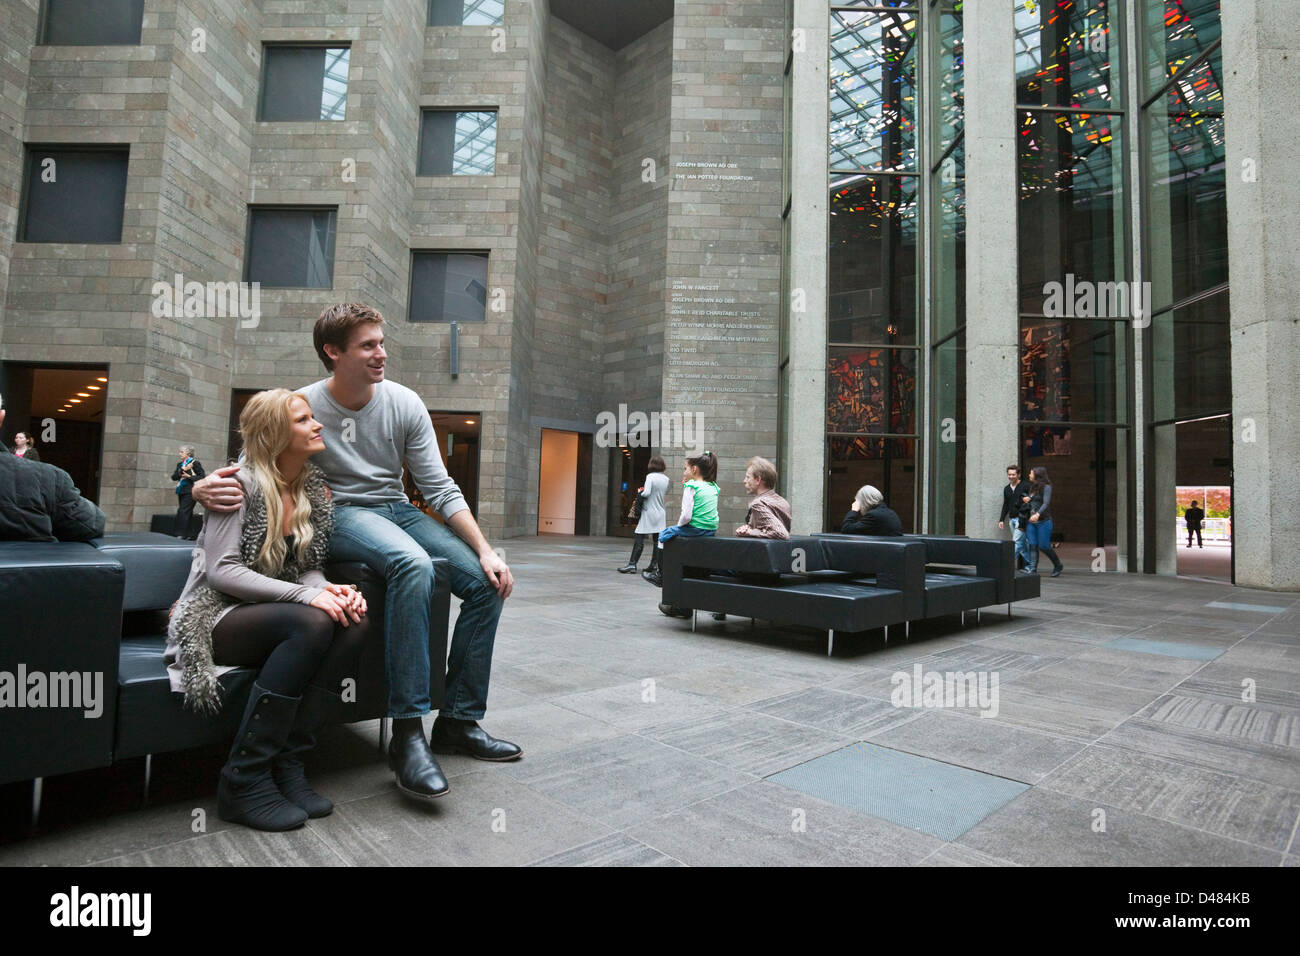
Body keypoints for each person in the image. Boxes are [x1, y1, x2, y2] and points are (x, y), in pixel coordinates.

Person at [192, 303, 519, 805]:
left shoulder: (404, 403)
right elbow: (250, 465)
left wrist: (486, 551)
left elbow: (439, 487)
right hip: (337, 510)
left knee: (485, 585)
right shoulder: (300, 404)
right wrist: (200, 489)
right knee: (412, 565)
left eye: (381, 342)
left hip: (398, 507)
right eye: (368, 345)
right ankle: (409, 735)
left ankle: (458, 721)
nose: (381, 353)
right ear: (333, 352)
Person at [167, 389, 371, 831]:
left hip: (269, 614)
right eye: (302, 420)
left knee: (350, 618)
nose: (316, 425)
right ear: (276, 433)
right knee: (310, 619)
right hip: (213, 614)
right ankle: (244, 780)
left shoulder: (311, 490)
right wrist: (307, 597)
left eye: (312, 417)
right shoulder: (235, 485)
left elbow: (309, 568)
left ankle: (289, 766)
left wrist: (330, 590)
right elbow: (222, 573)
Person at [0, 394, 105, 542]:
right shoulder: (48, 478)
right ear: (1, 417)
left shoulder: (37, 465)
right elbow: (92, 523)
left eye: (21, 437)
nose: (18, 440)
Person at [650, 451, 719, 616]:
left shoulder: (691, 486)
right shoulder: (713, 486)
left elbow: (686, 515)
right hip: (710, 530)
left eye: (685, 468)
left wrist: (678, 527)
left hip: (695, 529)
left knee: (664, 535)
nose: (684, 472)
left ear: (694, 469)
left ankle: (660, 573)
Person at [619, 456, 669, 574]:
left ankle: (632, 564)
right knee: (657, 540)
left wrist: (639, 491)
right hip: (661, 512)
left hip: (649, 512)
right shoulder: (666, 479)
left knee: (639, 537)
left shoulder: (650, 477)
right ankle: (653, 565)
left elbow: (646, 493)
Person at [734, 456, 792, 540]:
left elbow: (781, 533)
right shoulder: (783, 501)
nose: (744, 481)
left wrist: (750, 532)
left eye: (748, 477)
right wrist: (750, 527)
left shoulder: (758, 504)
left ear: (758, 480)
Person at [1024, 465, 1063, 576]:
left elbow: (1046, 503)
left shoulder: (1047, 487)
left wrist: (1038, 514)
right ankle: (1032, 569)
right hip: (1031, 522)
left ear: (1037, 475)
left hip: (1044, 521)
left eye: (1031, 473)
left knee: (1043, 545)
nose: (1029, 475)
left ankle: (1057, 565)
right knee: (1032, 545)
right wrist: (1028, 499)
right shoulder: (1033, 487)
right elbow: (1034, 501)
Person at [998, 464, 1032, 570]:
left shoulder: (1026, 485)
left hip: (1022, 519)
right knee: (1023, 544)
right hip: (1012, 519)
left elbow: (1032, 500)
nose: (1011, 476)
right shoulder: (1007, 489)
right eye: (1009, 474)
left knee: (1017, 542)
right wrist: (1001, 519)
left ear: (1018, 475)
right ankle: (1031, 565)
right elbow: (1006, 504)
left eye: (1013, 474)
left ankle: (1005, 566)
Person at [171, 445, 205, 538]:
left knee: (182, 511)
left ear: (188, 453)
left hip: (191, 491)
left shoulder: (195, 463)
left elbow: (202, 476)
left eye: (182, 452)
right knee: (187, 512)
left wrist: (189, 477)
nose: (179, 454)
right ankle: (190, 534)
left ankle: (180, 533)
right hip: (181, 490)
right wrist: (183, 470)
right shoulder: (180, 464)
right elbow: (174, 477)